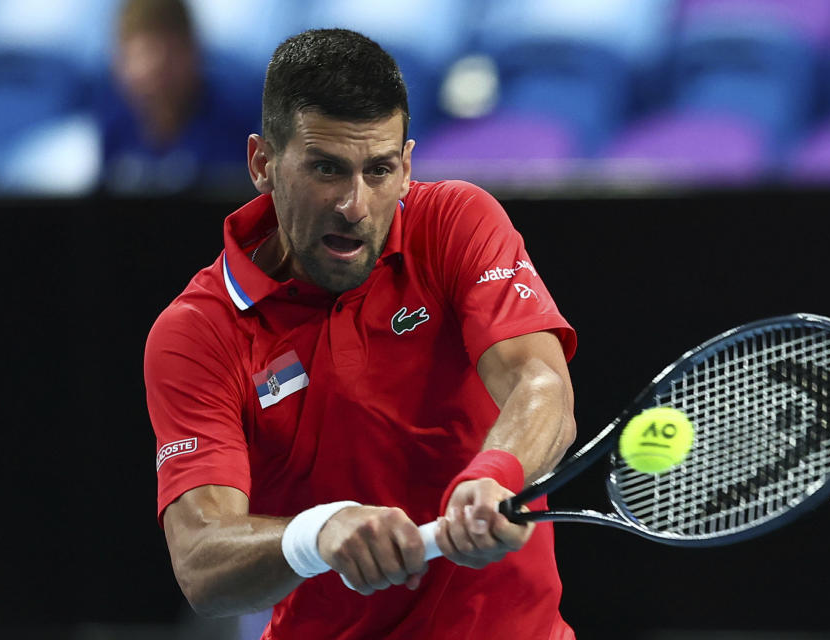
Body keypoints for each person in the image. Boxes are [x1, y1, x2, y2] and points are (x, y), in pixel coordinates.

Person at [144, 28, 578, 639]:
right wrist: (316, 533)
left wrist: (494, 474)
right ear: (262, 163)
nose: (355, 204)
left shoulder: (456, 223)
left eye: (378, 171)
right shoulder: (198, 332)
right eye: (326, 168)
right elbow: (199, 558)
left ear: (406, 168)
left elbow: (541, 384)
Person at [97, 0, 259, 195]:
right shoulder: (112, 124)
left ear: (195, 54)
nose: (155, 73)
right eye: (142, 55)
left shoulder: (236, 121)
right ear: (119, 63)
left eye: (170, 58)